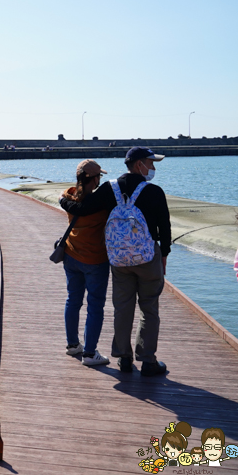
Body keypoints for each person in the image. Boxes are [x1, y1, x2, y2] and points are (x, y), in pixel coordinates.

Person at [59, 147, 171, 376]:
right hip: (148, 258)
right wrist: (165, 256)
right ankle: (148, 361)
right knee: (148, 308)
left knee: (123, 308)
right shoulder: (155, 191)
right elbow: (165, 229)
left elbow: (82, 208)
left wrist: (62, 200)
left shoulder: (110, 188)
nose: (153, 167)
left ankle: (124, 358)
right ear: (139, 164)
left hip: (119, 260)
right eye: (151, 163)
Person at [60, 160, 111, 366]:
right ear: (95, 179)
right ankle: (90, 354)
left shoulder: (67, 195)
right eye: (99, 176)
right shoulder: (101, 202)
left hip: (71, 254)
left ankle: (73, 346)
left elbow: (68, 202)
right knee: (95, 306)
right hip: (95, 259)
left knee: (73, 300)